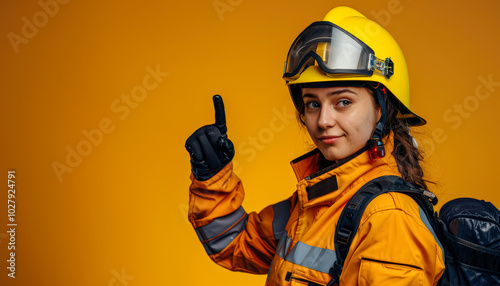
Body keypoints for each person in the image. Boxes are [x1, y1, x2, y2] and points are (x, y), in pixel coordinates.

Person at [185, 6, 445, 286]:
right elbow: (236, 245)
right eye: (312, 104)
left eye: (343, 102)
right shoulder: (316, 197)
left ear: (382, 108)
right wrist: (212, 177)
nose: (323, 121)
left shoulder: (389, 218)